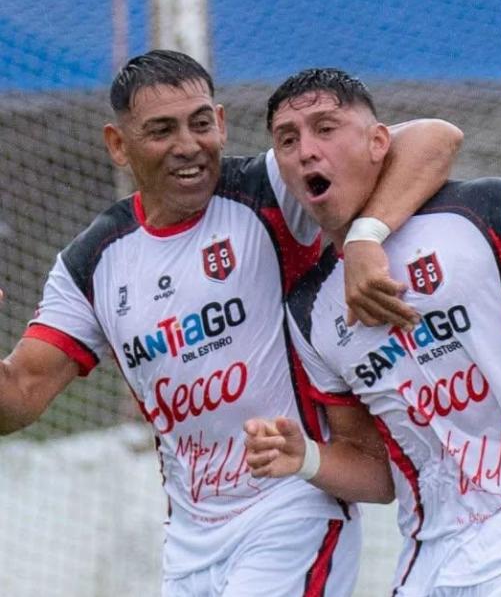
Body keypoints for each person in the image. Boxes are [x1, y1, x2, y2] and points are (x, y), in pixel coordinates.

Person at [0, 50, 462, 596]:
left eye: (200, 123)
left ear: (220, 122)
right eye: (161, 131)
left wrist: (365, 238)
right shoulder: (93, 261)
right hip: (191, 540)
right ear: (118, 145)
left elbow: (436, 137)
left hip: (295, 506)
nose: (188, 146)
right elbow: (20, 396)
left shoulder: (268, 191)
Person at [242, 68, 501, 596]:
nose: (306, 150)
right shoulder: (308, 313)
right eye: (288, 139)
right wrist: (307, 458)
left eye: (326, 128)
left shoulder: (487, 212)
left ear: (377, 142)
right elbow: (377, 471)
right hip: (427, 566)